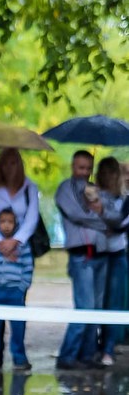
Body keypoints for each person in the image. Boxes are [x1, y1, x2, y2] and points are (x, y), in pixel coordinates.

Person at [55, 151, 109, 371]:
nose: (84, 172)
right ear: (72, 166)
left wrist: (99, 206)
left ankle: (87, 355)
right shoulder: (65, 189)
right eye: (80, 167)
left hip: (101, 254)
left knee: (96, 309)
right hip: (81, 255)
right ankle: (66, 355)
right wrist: (97, 215)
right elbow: (76, 214)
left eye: (88, 168)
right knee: (84, 307)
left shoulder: (98, 190)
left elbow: (111, 215)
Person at [0, 208, 34, 371]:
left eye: (10, 221)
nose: (7, 225)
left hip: (15, 294)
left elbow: (28, 267)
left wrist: (22, 287)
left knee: (18, 329)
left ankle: (19, 359)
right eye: (3, 221)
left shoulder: (22, 246)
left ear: (16, 224)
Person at [95, 157, 127, 367]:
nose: (108, 176)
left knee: (114, 301)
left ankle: (108, 347)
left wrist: (112, 225)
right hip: (98, 252)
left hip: (117, 253)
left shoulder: (124, 199)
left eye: (112, 172)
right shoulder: (93, 196)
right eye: (104, 172)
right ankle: (96, 343)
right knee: (97, 301)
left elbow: (122, 221)